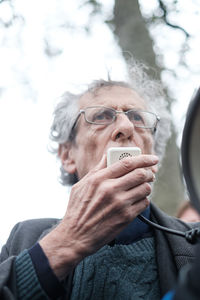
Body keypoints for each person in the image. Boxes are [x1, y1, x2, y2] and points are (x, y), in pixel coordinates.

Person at [0, 60, 199, 300]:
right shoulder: (25, 236)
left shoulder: (194, 240)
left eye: (137, 117)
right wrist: (67, 241)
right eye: (103, 116)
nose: (125, 127)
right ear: (67, 155)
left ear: (153, 152)